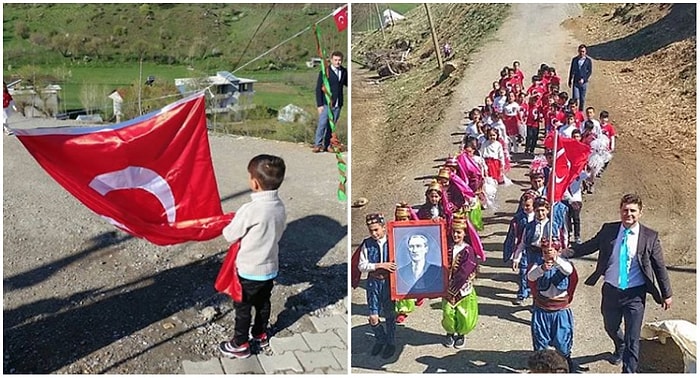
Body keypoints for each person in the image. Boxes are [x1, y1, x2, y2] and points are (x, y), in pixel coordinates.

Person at [565, 194, 673, 373]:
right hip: (611, 291)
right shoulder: (609, 230)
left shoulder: (649, 236)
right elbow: (588, 246)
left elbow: (659, 266)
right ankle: (619, 345)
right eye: (625, 210)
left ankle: (628, 371)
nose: (628, 214)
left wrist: (666, 294)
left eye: (632, 211)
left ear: (640, 212)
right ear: (620, 210)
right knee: (611, 327)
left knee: (633, 337)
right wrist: (563, 253)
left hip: (635, 294)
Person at [219, 154, 287, 359]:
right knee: (263, 302)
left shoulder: (250, 209)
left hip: (249, 270)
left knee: (243, 308)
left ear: (255, 183)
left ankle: (239, 343)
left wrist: (228, 224)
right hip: (270, 268)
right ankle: (260, 333)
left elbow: (230, 235)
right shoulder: (280, 206)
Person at [527, 238, 578, 373]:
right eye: (544, 252)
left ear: (558, 251)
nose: (547, 254)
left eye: (551, 251)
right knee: (540, 341)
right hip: (542, 309)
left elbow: (568, 270)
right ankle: (540, 369)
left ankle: (564, 365)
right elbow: (531, 277)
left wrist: (556, 259)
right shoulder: (538, 264)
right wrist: (542, 268)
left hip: (560, 310)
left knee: (563, 343)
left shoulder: (564, 264)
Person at [512, 197, 567, 305]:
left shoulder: (553, 225)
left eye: (543, 210)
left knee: (544, 278)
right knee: (529, 276)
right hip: (532, 255)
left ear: (547, 210)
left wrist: (560, 255)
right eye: (537, 210)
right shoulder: (529, 226)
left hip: (547, 254)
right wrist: (516, 258)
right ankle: (524, 294)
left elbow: (560, 241)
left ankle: (538, 302)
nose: (540, 213)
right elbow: (522, 242)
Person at [357, 213, 398, 358]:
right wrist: (380, 265)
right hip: (373, 282)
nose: (374, 234)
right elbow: (362, 266)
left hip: (388, 283)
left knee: (390, 315)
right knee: (373, 316)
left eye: (376, 230)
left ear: (383, 228)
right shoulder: (367, 244)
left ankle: (391, 343)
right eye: (371, 231)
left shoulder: (392, 242)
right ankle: (380, 339)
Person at [441, 214, 479, 349]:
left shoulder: (468, 250)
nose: (455, 235)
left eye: (458, 232)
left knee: (463, 313)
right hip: (447, 287)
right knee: (448, 312)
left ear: (464, 233)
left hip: (462, 288)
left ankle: (461, 334)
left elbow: (465, 271)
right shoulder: (447, 247)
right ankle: (450, 332)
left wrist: (452, 287)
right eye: (453, 232)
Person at [313, 50, 348, 153]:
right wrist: (319, 105)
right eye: (335, 60)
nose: (337, 62)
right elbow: (318, 89)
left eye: (339, 60)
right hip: (326, 103)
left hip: (338, 103)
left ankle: (327, 145)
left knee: (331, 125)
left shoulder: (344, 71)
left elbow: (347, 83)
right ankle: (317, 144)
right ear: (331, 60)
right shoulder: (325, 72)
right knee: (322, 124)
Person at [567, 44, 593, 109]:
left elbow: (589, 71)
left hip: (584, 83)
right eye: (580, 51)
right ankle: (574, 111)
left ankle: (580, 111)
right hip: (576, 81)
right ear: (578, 51)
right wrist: (570, 80)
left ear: (586, 52)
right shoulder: (575, 60)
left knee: (582, 98)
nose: (582, 53)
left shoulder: (588, 61)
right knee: (575, 98)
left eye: (583, 51)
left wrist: (584, 79)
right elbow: (572, 70)